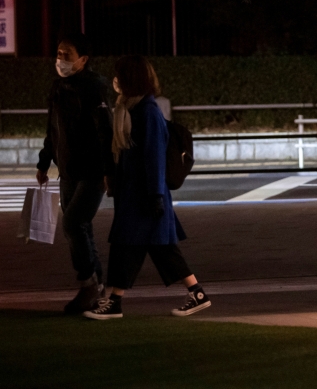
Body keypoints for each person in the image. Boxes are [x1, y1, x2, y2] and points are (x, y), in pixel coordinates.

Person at [84, 55, 210, 320]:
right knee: (157, 248)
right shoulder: (133, 108)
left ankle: (116, 302)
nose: (115, 80)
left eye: (119, 75)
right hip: (138, 195)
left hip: (145, 196)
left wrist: (154, 196)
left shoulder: (147, 111)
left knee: (128, 245)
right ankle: (196, 294)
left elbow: (154, 156)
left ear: (130, 79)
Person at [36, 33, 113, 314]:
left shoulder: (93, 88)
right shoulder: (59, 87)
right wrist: (44, 162)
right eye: (58, 53)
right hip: (67, 170)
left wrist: (109, 170)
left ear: (83, 59)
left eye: (67, 54)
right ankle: (98, 285)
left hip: (92, 171)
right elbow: (52, 129)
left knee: (72, 223)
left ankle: (88, 284)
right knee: (81, 227)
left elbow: (105, 130)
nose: (60, 59)